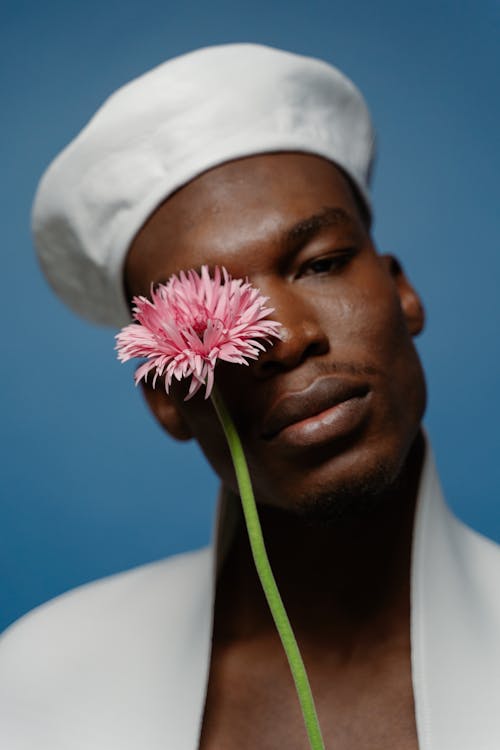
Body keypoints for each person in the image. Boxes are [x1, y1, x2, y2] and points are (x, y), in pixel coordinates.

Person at [1, 43, 499, 750]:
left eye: (322, 264)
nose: (285, 337)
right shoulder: (35, 684)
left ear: (403, 292)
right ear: (164, 397)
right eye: (205, 315)